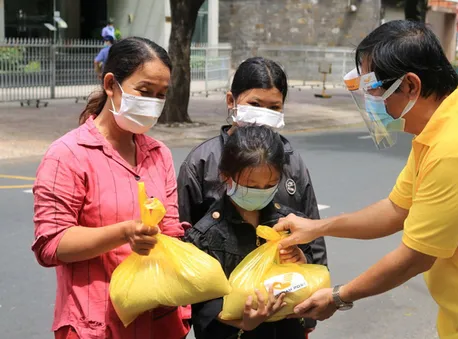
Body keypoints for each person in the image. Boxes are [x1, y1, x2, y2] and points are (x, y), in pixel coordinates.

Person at [273, 20, 458, 339]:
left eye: (374, 89)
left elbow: (414, 258)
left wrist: (339, 296)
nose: (372, 101)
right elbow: (396, 209)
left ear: (410, 86)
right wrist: (317, 227)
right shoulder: (445, 127)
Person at [32, 37, 191, 339]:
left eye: (161, 95)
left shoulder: (159, 154)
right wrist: (123, 233)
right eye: (144, 91)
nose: (153, 103)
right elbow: (51, 244)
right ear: (110, 84)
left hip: (160, 321)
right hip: (96, 324)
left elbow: (171, 229)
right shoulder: (67, 154)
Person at [177, 57, 328, 266]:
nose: (263, 115)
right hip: (219, 289)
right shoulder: (202, 162)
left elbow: (313, 233)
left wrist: (317, 277)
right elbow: (182, 236)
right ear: (231, 101)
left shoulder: (291, 161)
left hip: (282, 287)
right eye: (255, 104)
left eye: (274, 107)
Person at [184, 125, 313, 339]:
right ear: (227, 177)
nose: (260, 192)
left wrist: (302, 260)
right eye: (250, 185)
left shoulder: (289, 224)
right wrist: (244, 323)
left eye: (270, 185)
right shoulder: (205, 236)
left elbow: (311, 273)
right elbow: (201, 302)